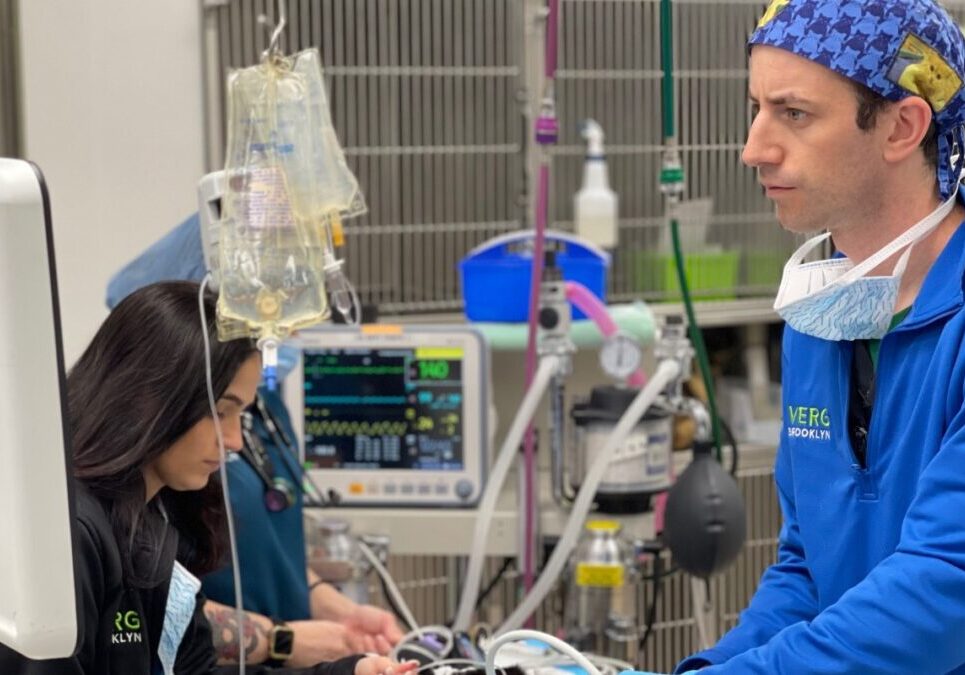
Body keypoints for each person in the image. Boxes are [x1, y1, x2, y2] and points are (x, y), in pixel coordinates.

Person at [629, 1, 965, 673]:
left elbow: (942, 588)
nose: (752, 148)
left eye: (793, 114)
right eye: (755, 108)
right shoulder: (823, 313)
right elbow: (808, 568)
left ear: (902, 125)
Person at [0, 281, 412, 675]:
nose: (233, 441)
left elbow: (197, 669)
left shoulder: (147, 529)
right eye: (221, 411)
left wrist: (342, 672)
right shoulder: (71, 534)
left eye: (242, 414)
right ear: (154, 395)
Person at [107, 215, 404, 668]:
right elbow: (157, 603)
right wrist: (280, 641)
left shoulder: (257, 403)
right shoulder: (159, 444)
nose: (233, 440)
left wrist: (333, 608)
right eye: (275, 305)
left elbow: (258, 543)